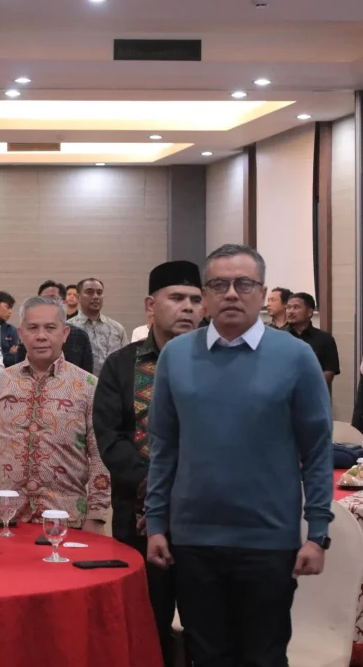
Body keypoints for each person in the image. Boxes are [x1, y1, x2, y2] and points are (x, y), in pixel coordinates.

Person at [146, 244, 333, 667]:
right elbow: (164, 447)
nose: (231, 293)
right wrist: (156, 522)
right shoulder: (176, 357)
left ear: (263, 292)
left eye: (244, 284)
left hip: (268, 541)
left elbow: (318, 450)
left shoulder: (297, 357)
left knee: (263, 656)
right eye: (219, 284)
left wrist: (318, 531)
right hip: (193, 540)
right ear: (206, 295)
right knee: (206, 654)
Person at [93, 260, 204, 667]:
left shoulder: (220, 362)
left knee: (206, 626)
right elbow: (110, 437)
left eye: (196, 299)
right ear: (150, 305)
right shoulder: (122, 366)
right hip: (138, 518)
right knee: (146, 623)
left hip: (207, 520)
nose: (188, 307)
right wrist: (156, 491)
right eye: (176, 298)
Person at [0, 295, 110, 532]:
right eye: (33, 328)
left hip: (67, 519)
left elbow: (100, 457)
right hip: (4, 519)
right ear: (21, 333)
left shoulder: (88, 386)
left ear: (65, 333)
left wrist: (96, 516)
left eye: (50, 328)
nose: (41, 336)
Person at [67, 277, 128, 376]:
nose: (95, 297)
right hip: (80, 387)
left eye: (99, 293)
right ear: (78, 298)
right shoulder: (69, 329)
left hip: (112, 387)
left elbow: (127, 361)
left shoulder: (117, 328)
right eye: (89, 292)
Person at [32, 280, 95, 373]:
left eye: (52, 299)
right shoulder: (29, 335)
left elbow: (87, 374)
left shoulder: (80, 336)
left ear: (64, 303)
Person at [285, 292, 340, 390]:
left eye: (296, 307)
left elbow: (329, 371)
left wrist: (308, 390)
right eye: (288, 307)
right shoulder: (278, 336)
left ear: (310, 312)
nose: (291, 311)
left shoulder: (325, 339)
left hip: (313, 394)